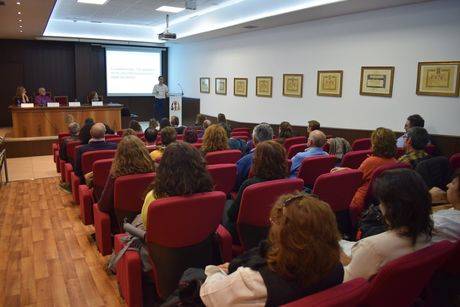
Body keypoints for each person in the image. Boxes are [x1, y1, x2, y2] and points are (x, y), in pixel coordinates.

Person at [200, 194, 344, 306]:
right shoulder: (337, 267)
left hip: (219, 288)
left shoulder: (254, 280)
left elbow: (208, 294)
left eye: (274, 222)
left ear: (283, 234)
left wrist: (217, 271)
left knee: (192, 275)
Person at [342, 169, 433, 281]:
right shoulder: (428, 234)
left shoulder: (371, 247)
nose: (379, 206)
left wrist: (341, 257)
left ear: (391, 208)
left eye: (382, 202)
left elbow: (347, 284)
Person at [224, 141, 288, 240]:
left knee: (227, 204)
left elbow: (232, 215)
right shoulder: (290, 183)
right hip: (275, 229)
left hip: (246, 234)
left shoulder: (250, 185)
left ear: (257, 160)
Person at [141, 142, 214, 227]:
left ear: (163, 167)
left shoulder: (154, 197)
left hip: (164, 239)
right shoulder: (210, 195)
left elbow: (147, 226)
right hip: (200, 237)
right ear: (199, 164)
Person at [333, 127, 397, 223]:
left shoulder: (371, 161)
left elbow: (356, 180)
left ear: (375, 143)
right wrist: (347, 169)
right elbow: (362, 173)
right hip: (381, 201)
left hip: (362, 204)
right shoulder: (395, 161)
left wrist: (344, 172)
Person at [97, 135, 155, 233]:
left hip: (123, 226)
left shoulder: (115, 176)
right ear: (143, 151)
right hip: (151, 222)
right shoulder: (156, 170)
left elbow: (103, 206)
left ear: (119, 154)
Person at [235, 123, 273, 189]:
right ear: (272, 139)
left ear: (254, 140)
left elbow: (236, 184)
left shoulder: (244, 161)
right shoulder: (281, 159)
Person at [431, 170, 460, 242]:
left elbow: (413, 225)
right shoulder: (455, 209)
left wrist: (426, 197)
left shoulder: (441, 223)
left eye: (453, 183)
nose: (448, 185)